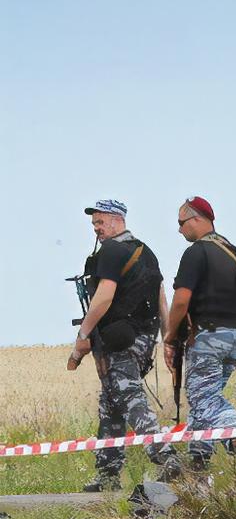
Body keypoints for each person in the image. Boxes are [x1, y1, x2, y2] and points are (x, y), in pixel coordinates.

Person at [67, 199, 182, 490]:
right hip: (144, 338)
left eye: (100, 222)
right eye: (94, 224)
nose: (96, 229)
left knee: (129, 396)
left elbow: (104, 296)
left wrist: (83, 335)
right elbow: (161, 298)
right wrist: (167, 338)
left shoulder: (111, 251)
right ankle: (108, 475)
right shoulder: (146, 252)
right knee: (111, 402)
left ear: (117, 220)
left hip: (119, 340)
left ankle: (166, 456)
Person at [161, 196, 236, 472]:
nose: (179, 229)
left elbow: (181, 301)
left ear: (196, 219)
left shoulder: (196, 253)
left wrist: (170, 337)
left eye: (181, 222)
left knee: (204, 399)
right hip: (234, 337)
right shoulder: (233, 253)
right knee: (204, 396)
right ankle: (198, 459)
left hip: (207, 337)